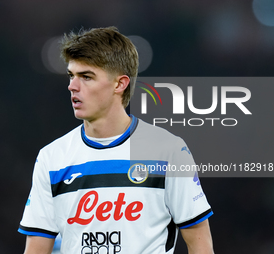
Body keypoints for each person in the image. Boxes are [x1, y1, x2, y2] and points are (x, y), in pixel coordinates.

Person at [18, 26, 214, 254]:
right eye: (72, 75)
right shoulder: (51, 157)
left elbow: (200, 243)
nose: (72, 85)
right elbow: (36, 249)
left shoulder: (168, 151)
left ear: (120, 84)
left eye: (86, 76)